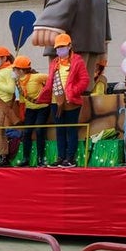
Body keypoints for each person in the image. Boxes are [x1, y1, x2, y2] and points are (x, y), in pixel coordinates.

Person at [43, 33, 90, 167]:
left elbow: (84, 80)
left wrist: (73, 91)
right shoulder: (54, 62)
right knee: (60, 130)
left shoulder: (77, 60)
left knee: (71, 130)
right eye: (57, 48)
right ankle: (60, 157)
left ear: (69, 46)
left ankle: (70, 158)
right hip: (55, 102)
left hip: (71, 102)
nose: (59, 50)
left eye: (62, 47)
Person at [14, 55, 50, 167]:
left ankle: (41, 158)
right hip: (30, 109)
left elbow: (51, 78)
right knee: (27, 132)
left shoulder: (36, 77)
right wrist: (21, 111)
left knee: (39, 130)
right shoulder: (18, 81)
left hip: (42, 107)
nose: (13, 71)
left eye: (14, 69)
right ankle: (26, 158)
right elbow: (21, 97)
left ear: (20, 70)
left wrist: (46, 92)